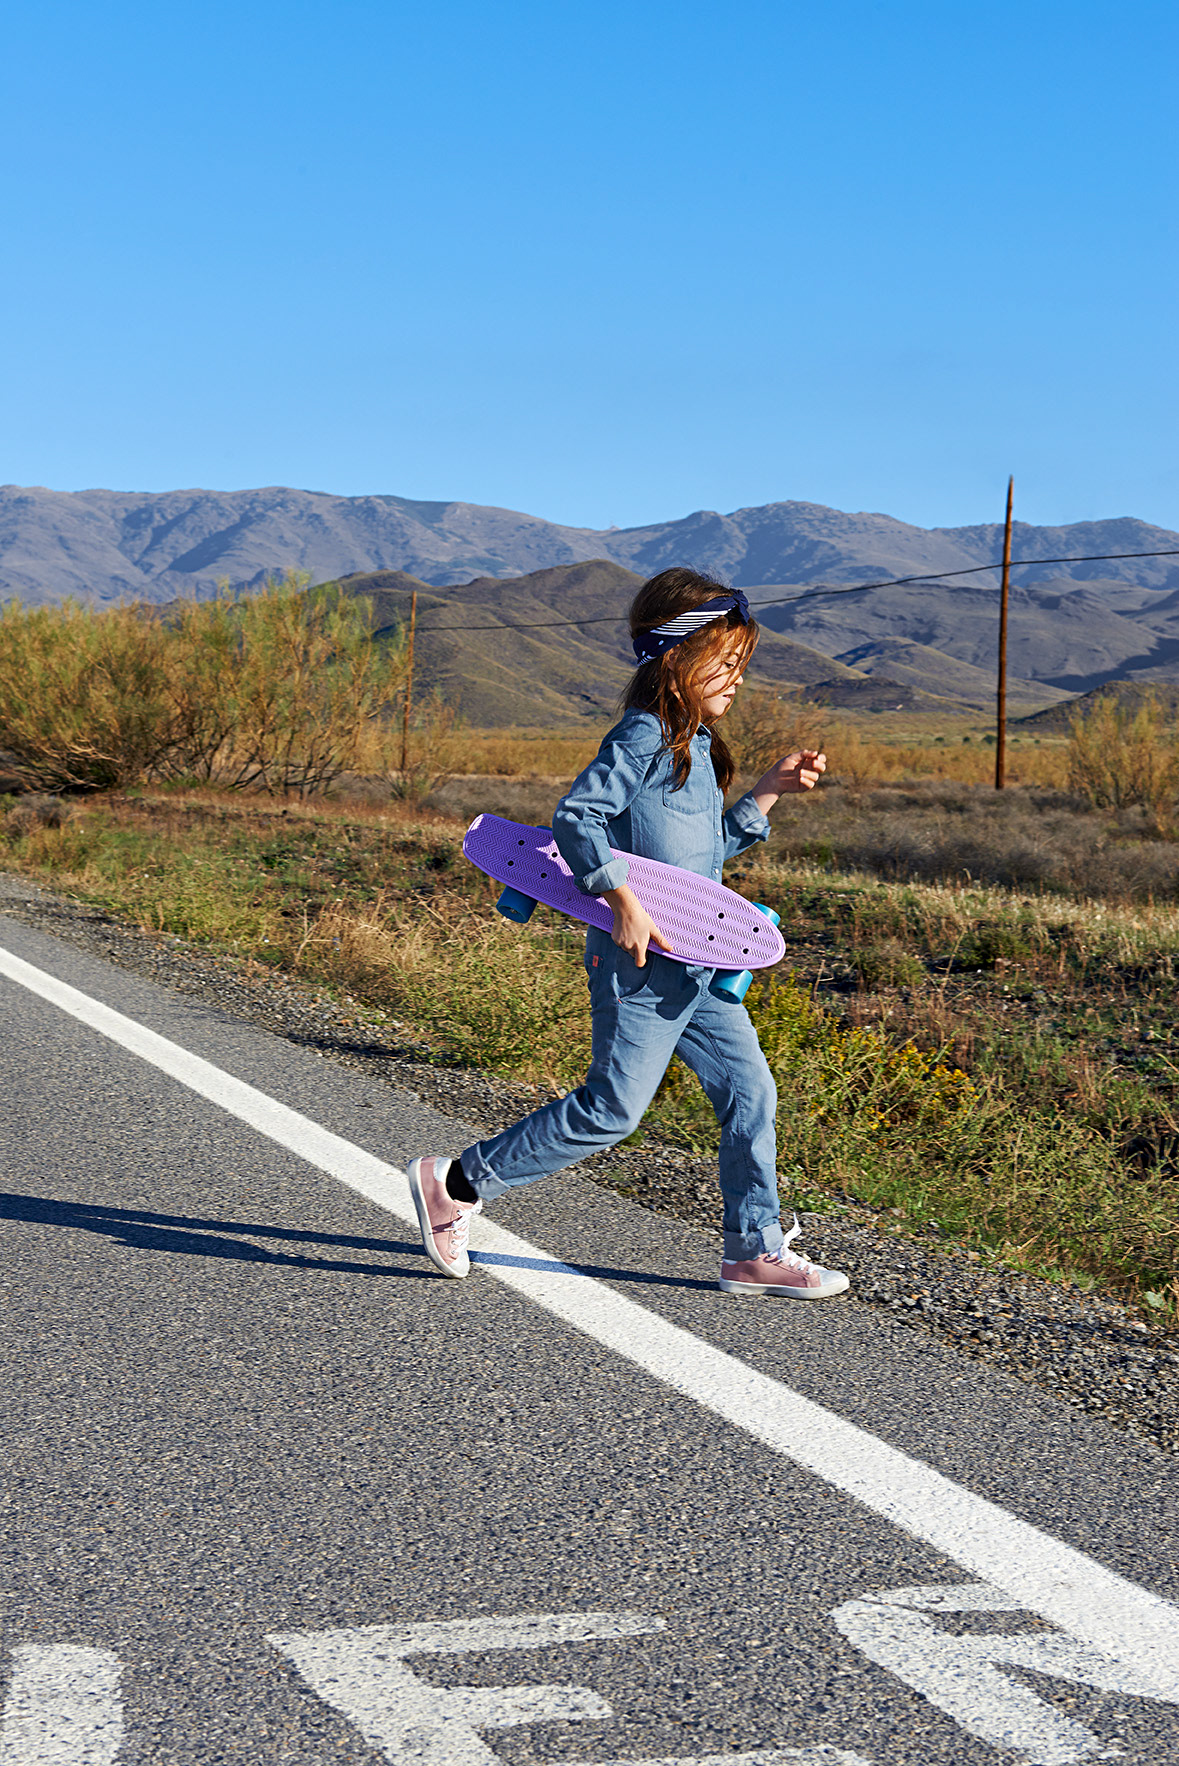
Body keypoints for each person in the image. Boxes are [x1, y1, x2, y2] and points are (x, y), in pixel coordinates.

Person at [408, 567, 849, 1299]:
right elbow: (576, 816)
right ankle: (454, 1183)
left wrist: (767, 791)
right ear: (675, 658)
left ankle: (752, 1250)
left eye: (742, 664)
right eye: (725, 661)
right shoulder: (643, 735)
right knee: (611, 1110)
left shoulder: (695, 746)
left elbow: (700, 863)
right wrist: (618, 899)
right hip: (640, 965)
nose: (738, 678)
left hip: (699, 968)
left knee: (750, 1094)